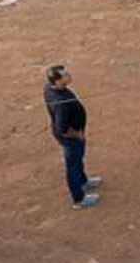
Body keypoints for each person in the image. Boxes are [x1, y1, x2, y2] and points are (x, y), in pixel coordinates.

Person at [42, 65, 100, 207]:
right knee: (72, 166)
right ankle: (79, 199)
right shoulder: (60, 104)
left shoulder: (49, 88)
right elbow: (62, 128)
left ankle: (83, 182)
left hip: (72, 135)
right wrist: (77, 134)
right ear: (57, 81)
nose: (69, 75)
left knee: (77, 159)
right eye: (65, 75)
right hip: (70, 138)